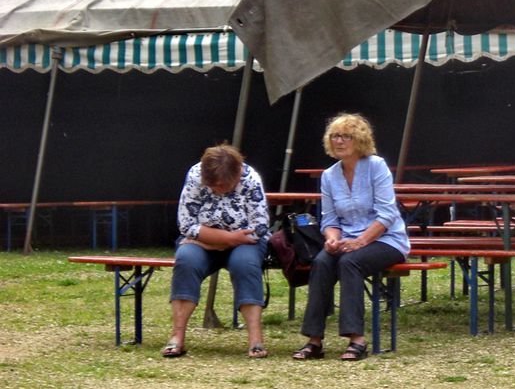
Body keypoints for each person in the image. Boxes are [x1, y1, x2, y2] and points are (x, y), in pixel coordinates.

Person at [292, 113, 410, 361]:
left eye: (346, 136)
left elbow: (387, 215)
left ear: (359, 140)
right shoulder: (329, 175)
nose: (340, 141)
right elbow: (330, 220)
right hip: (347, 240)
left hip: (386, 240)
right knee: (323, 261)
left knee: (350, 263)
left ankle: (357, 339)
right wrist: (331, 239)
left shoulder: (376, 166)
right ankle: (314, 340)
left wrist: (360, 241)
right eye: (335, 136)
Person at [162, 143, 270, 359]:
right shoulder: (196, 174)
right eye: (212, 185)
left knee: (245, 265)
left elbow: (259, 228)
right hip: (204, 242)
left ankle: (255, 340)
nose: (216, 189)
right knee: (186, 259)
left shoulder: (250, 178)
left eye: (222, 185)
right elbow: (186, 225)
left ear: (236, 174)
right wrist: (225, 239)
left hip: (243, 243)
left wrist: (217, 241)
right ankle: (177, 337)